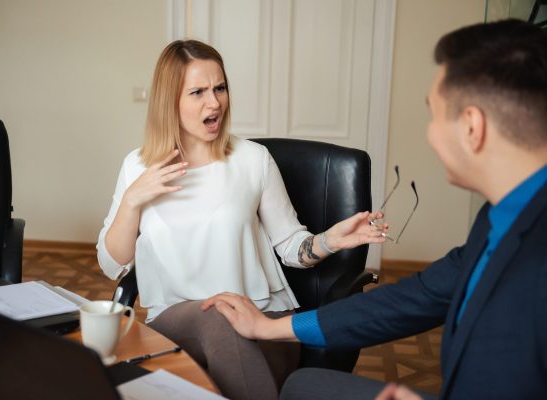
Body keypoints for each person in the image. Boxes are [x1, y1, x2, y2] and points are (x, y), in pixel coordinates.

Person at [203, 19, 547, 400]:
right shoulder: (496, 218)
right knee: (303, 386)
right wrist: (271, 328)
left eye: (433, 114)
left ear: (472, 127)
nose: (429, 133)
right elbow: (414, 299)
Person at [96, 39, 386, 400]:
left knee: (214, 353)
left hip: (263, 323)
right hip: (176, 323)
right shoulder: (137, 166)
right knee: (217, 314)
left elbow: (291, 246)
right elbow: (112, 264)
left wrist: (330, 240)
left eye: (220, 88)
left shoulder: (253, 160)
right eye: (198, 92)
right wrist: (132, 199)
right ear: (169, 100)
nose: (214, 102)